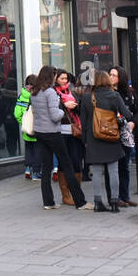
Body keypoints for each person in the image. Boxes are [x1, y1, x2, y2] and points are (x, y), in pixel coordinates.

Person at [30, 65, 89, 211]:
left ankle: (48, 202)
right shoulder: (50, 92)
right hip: (52, 132)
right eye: (55, 75)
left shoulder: (34, 92)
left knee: (47, 167)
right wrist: (64, 108)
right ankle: (80, 202)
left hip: (39, 132)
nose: (56, 78)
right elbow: (55, 116)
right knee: (67, 165)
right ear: (51, 76)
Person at [80, 70, 132, 212]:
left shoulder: (86, 97)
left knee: (96, 171)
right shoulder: (114, 95)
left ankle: (98, 203)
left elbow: (83, 123)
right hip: (111, 137)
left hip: (93, 138)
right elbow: (127, 115)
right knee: (113, 170)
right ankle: (114, 202)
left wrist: (85, 141)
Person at [109, 66, 138, 206]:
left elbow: (137, 111)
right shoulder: (108, 93)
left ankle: (125, 195)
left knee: (125, 166)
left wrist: (133, 122)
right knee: (113, 166)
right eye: (110, 74)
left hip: (126, 133)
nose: (111, 77)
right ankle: (115, 197)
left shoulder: (129, 93)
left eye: (114, 75)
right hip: (112, 133)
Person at [54, 69, 82, 206]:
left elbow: (80, 109)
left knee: (76, 161)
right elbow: (52, 111)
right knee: (64, 163)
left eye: (66, 79)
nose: (65, 81)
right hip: (61, 131)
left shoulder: (72, 92)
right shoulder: (53, 93)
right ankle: (66, 195)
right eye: (62, 79)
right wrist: (63, 105)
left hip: (75, 131)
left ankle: (76, 192)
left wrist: (75, 106)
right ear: (56, 79)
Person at [14, 74, 40, 179]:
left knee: (28, 149)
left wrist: (24, 122)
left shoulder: (21, 96)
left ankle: (28, 170)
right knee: (38, 150)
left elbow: (17, 113)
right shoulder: (36, 96)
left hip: (26, 128)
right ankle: (36, 173)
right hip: (37, 127)